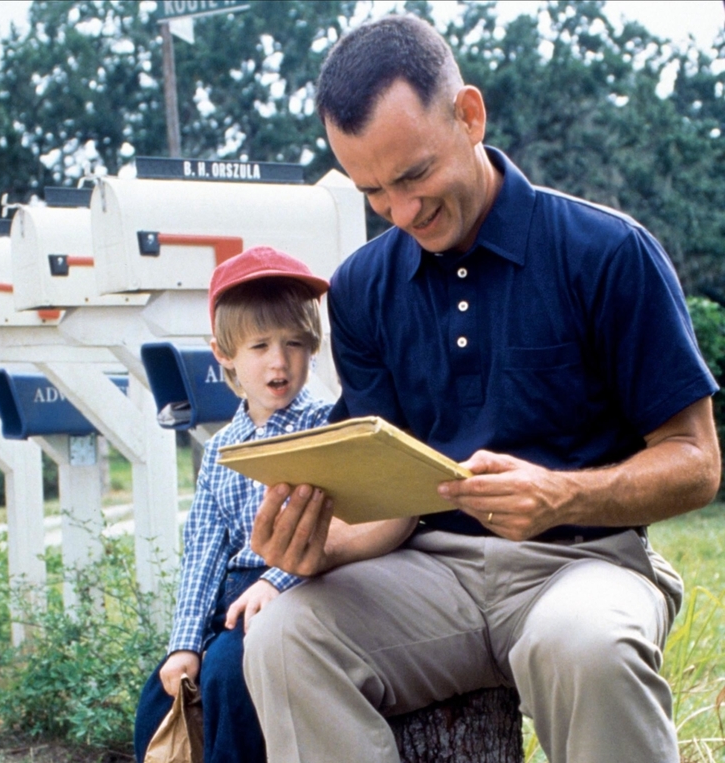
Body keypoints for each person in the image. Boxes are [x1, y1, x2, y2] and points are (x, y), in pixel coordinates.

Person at [241, 14, 721, 763]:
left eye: (413, 176)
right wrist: (318, 548)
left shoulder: (606, 252)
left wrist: (563, 495)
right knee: (281, 636)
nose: (401, 213)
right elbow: (393, 501)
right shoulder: (361, 289)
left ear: (469, 114)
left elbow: (697, 461)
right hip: (429, 573)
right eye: (373, 191)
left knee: (586, 644)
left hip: (587, 562)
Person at [133, 245, 332, 763]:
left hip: (297, 585)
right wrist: (183, 642)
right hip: (229, 596)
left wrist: (276, 581)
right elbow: (204, 551)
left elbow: (335, 530)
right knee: (163, 692)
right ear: (223, 353)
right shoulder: (223, 447)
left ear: (313, 347)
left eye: (294, 343)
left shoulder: (326, 426)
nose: (279, 361)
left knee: (229, 675)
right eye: (259, 345)